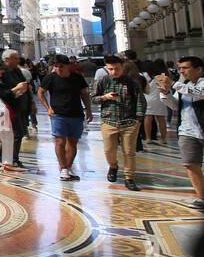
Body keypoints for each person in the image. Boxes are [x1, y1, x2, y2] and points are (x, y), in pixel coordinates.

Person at [158, 56, 204, 211]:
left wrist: (173, 84)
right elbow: (175, 106)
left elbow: (198, 94)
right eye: (180, 68)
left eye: (185, 68)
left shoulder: (199, 84)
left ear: (199, 69)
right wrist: (166, 94)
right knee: (191, 164)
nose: (181, 71)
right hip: (187, 131)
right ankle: (201, 197)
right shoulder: (183, 85)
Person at [39, 54, 92, 182]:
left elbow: (84, 94)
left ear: (68, 66)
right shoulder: (50, 78)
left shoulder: (77, 78)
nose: (58, 69)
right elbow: (40, 92)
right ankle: (63, 168)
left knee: (72, 143)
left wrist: (88, 110)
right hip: (58, 114)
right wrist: (48, 108)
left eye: (60, 66)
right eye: (55, 66)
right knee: (60, 142)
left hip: (76, 114)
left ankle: (67, 168)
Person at [97, 55, 145, 191]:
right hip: (108, 121)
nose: (113, 72)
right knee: (108, 150)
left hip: (129, 122)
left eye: (116, 69)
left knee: (129, 151)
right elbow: (93, 97)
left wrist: (138, 119)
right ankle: (113, 166)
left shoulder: (132, 82)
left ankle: (129, 177)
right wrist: (104, 97)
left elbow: (140, 100)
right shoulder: (103, 81)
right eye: (110, 69)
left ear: (122, 67)